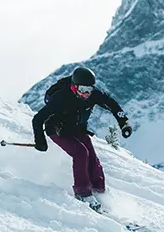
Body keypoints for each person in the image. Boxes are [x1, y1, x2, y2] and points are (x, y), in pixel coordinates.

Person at [31, 66, 133, 210]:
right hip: (57, 130)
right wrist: (40, 141)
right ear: (74, 87)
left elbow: (112, 105)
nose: (86, 94)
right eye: (83, 90)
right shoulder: (60, 97)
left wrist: (124, 123)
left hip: (77, 129)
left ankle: (99, 191)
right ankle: (82, 192)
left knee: (92, 156)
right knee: (80, 152)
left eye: (89, 90)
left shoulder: (93, 95)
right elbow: (38, 119)